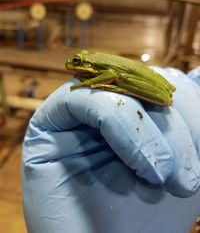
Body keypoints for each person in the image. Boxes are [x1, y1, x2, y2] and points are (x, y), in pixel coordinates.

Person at [22, 66, 200, 233]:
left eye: (77, 63)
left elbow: (111, 75)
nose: (71, 66)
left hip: (133, 79)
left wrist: (93, 83)